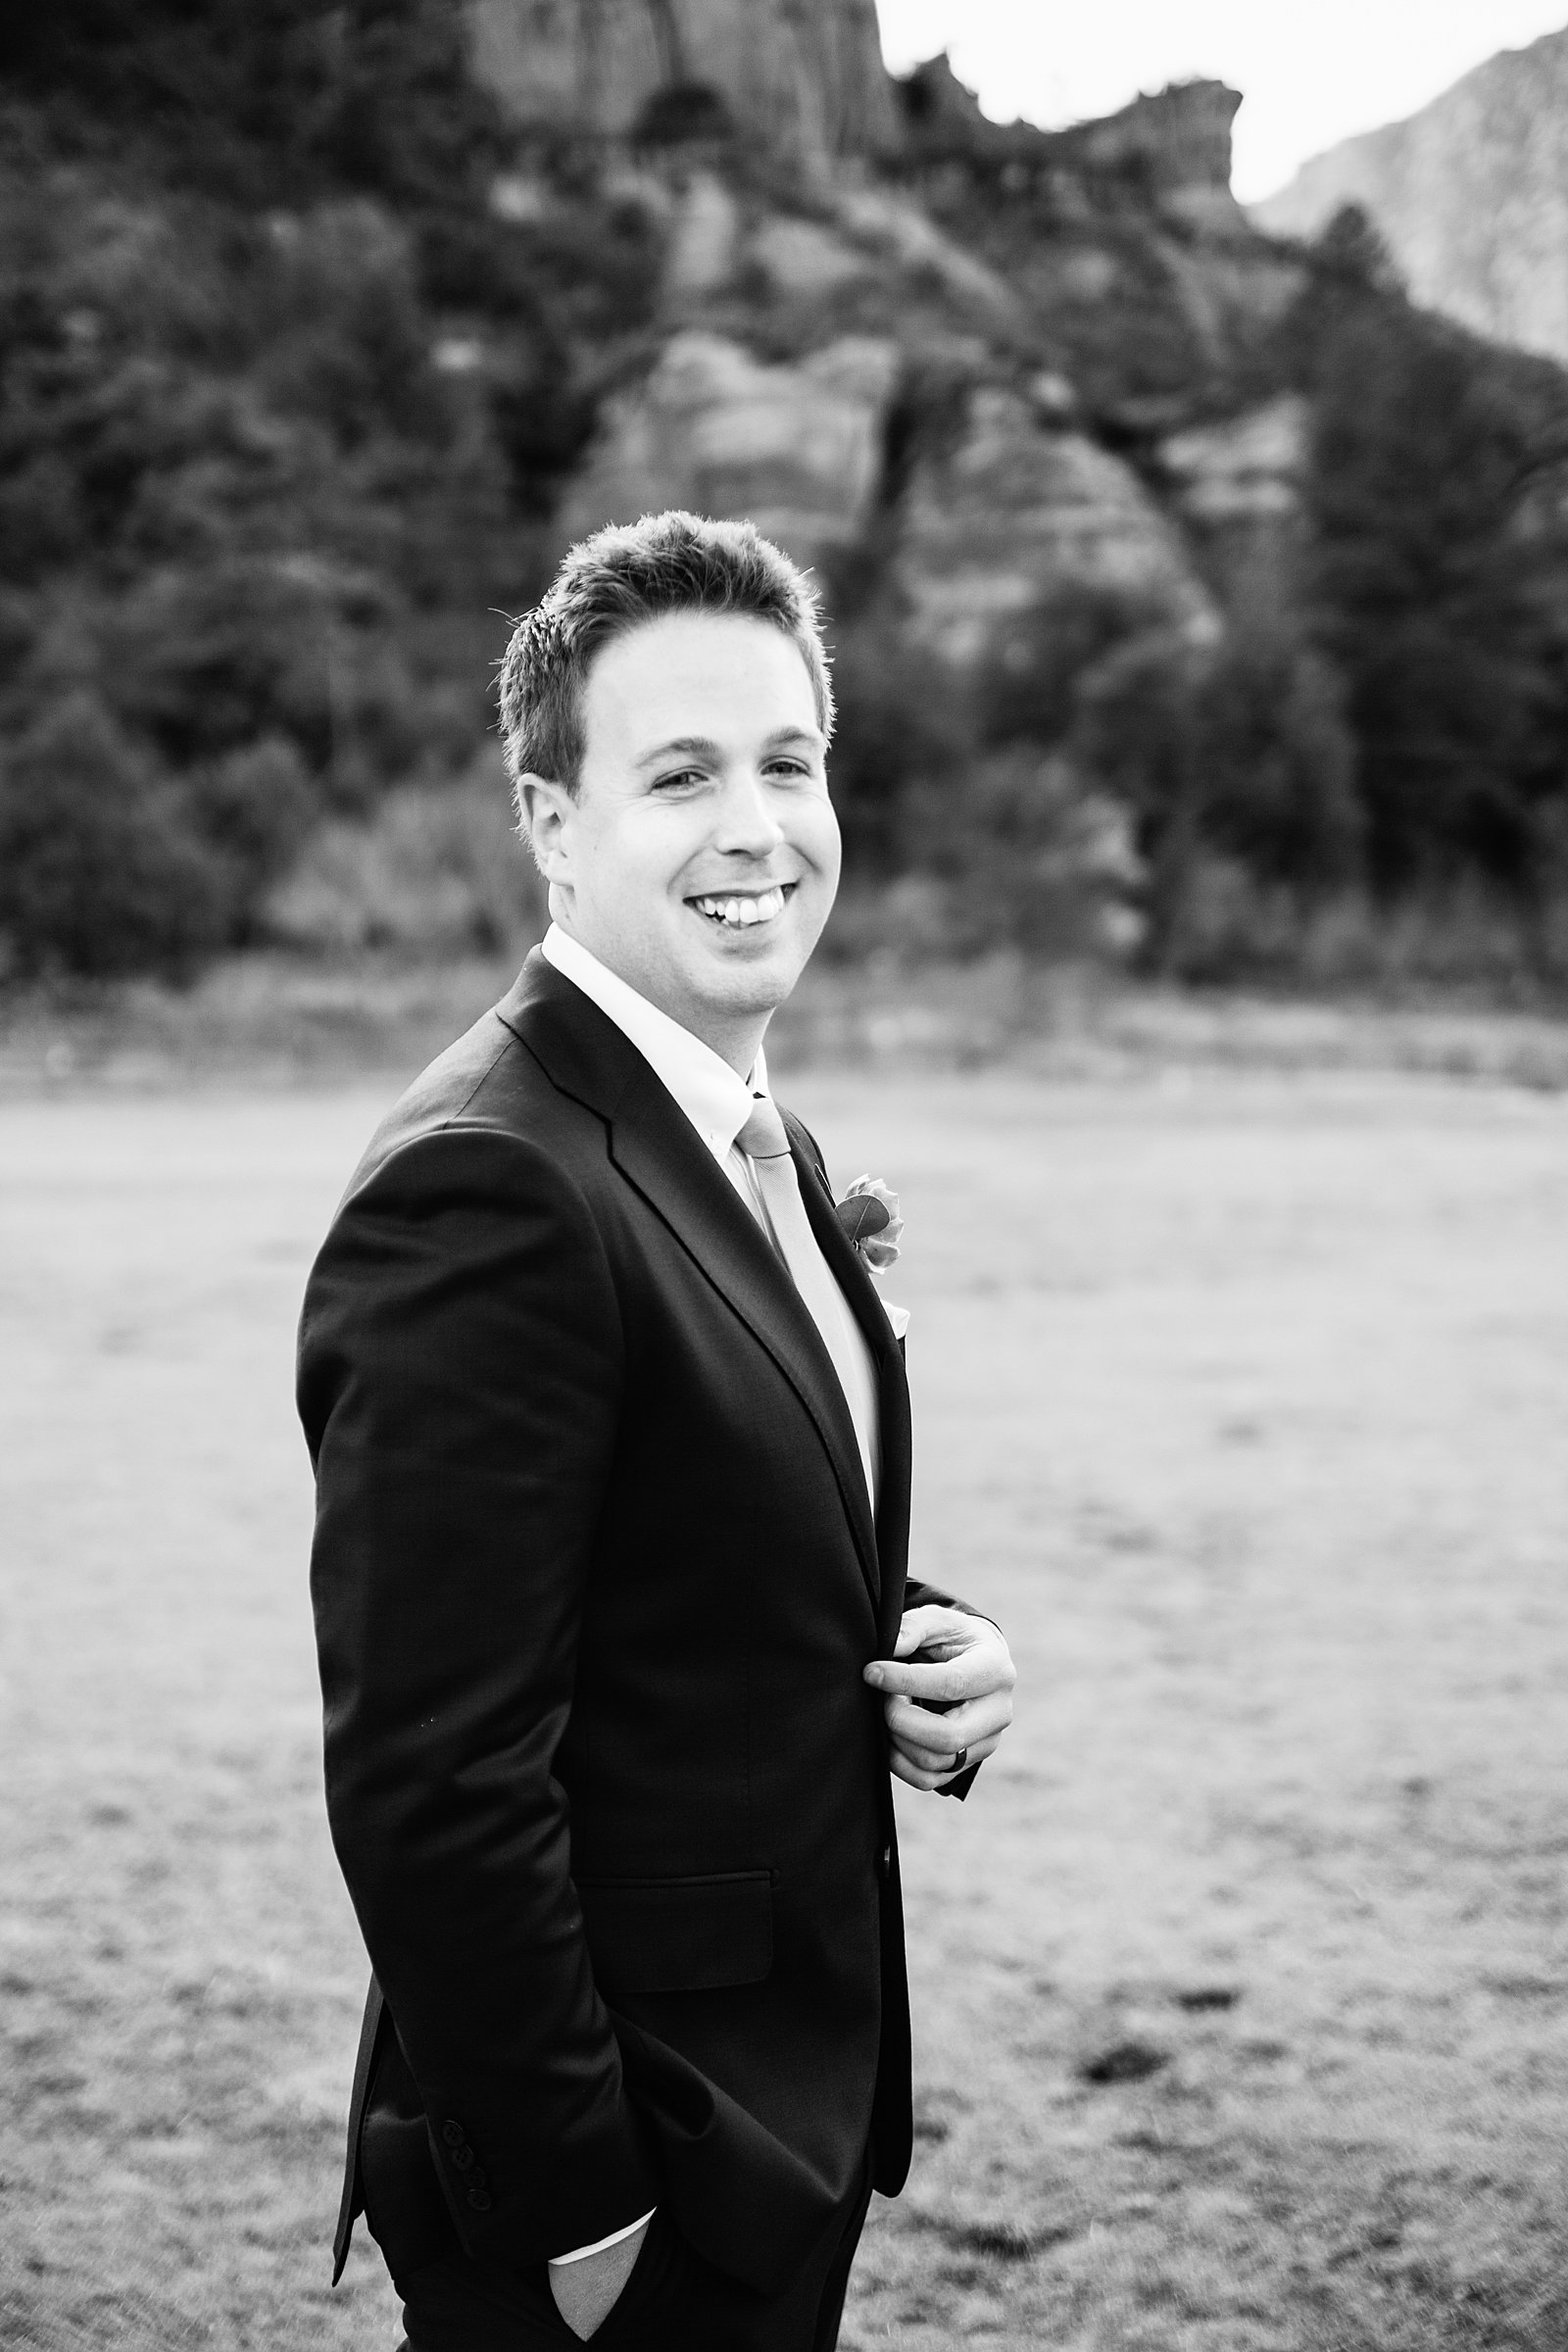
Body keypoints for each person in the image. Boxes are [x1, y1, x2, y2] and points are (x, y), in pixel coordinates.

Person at [298, 509, 1016, 2350]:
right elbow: (435, 1782)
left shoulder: (731, 1121)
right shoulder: (488, 1184)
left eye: (789, 763)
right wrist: (592, 2211)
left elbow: (684, 1534)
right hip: (634, 2176)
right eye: (679, 774)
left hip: (786, 2113)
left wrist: (924, 1646)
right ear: (554, 826)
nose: (756, 827)